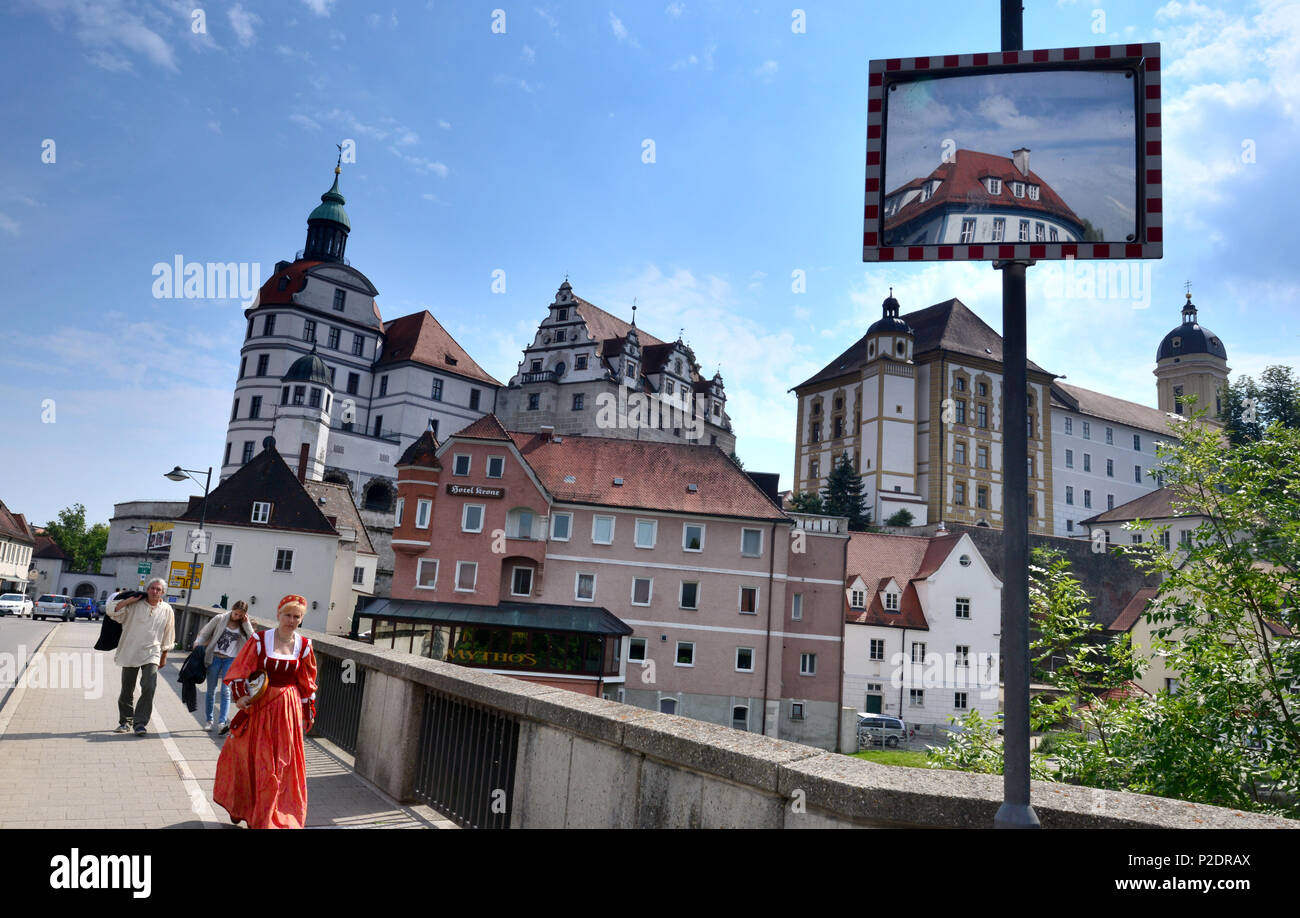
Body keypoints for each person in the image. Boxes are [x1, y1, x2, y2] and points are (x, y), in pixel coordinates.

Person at [212, 594, 318, 829]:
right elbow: (241, 669)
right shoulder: (260, 641)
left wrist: (306, 711)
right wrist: (242, 697)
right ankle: (253, 810)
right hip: (260, 707)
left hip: (287, 709)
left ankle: (270, 814)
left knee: (281, 762)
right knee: (256, 760)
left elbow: (307, 682)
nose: (291, 620)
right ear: (278, 615)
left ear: (301, 619)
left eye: (296, 616)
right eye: (287, 615)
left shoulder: (303, 645)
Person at [108, 578, 176, 737]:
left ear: (163, 593)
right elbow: (112, 611)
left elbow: (168, 634)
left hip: (152, 652)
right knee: (127, 689)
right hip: (131, 650)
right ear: (147, 589)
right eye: (152, 588)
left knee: (149, 686)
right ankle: (125, 721)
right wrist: (128, 600)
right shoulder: (134, 605)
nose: (154, 592)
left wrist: (164, 656)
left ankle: (140, 723)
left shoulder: (167, 609)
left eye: (158, 589)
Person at [193, 601, 256, 732]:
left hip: (231, 660)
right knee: (211, 690)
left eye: (240, 615)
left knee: (226, 691)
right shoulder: (220, 618)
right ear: (232, 609)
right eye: (235, 613)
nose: (237, 617)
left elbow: (253, 639)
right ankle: (209, 720)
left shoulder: (243, 624)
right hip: (215, 657)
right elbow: (206, 632)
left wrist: (246, 623)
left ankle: (222, 722)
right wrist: (198, 642)